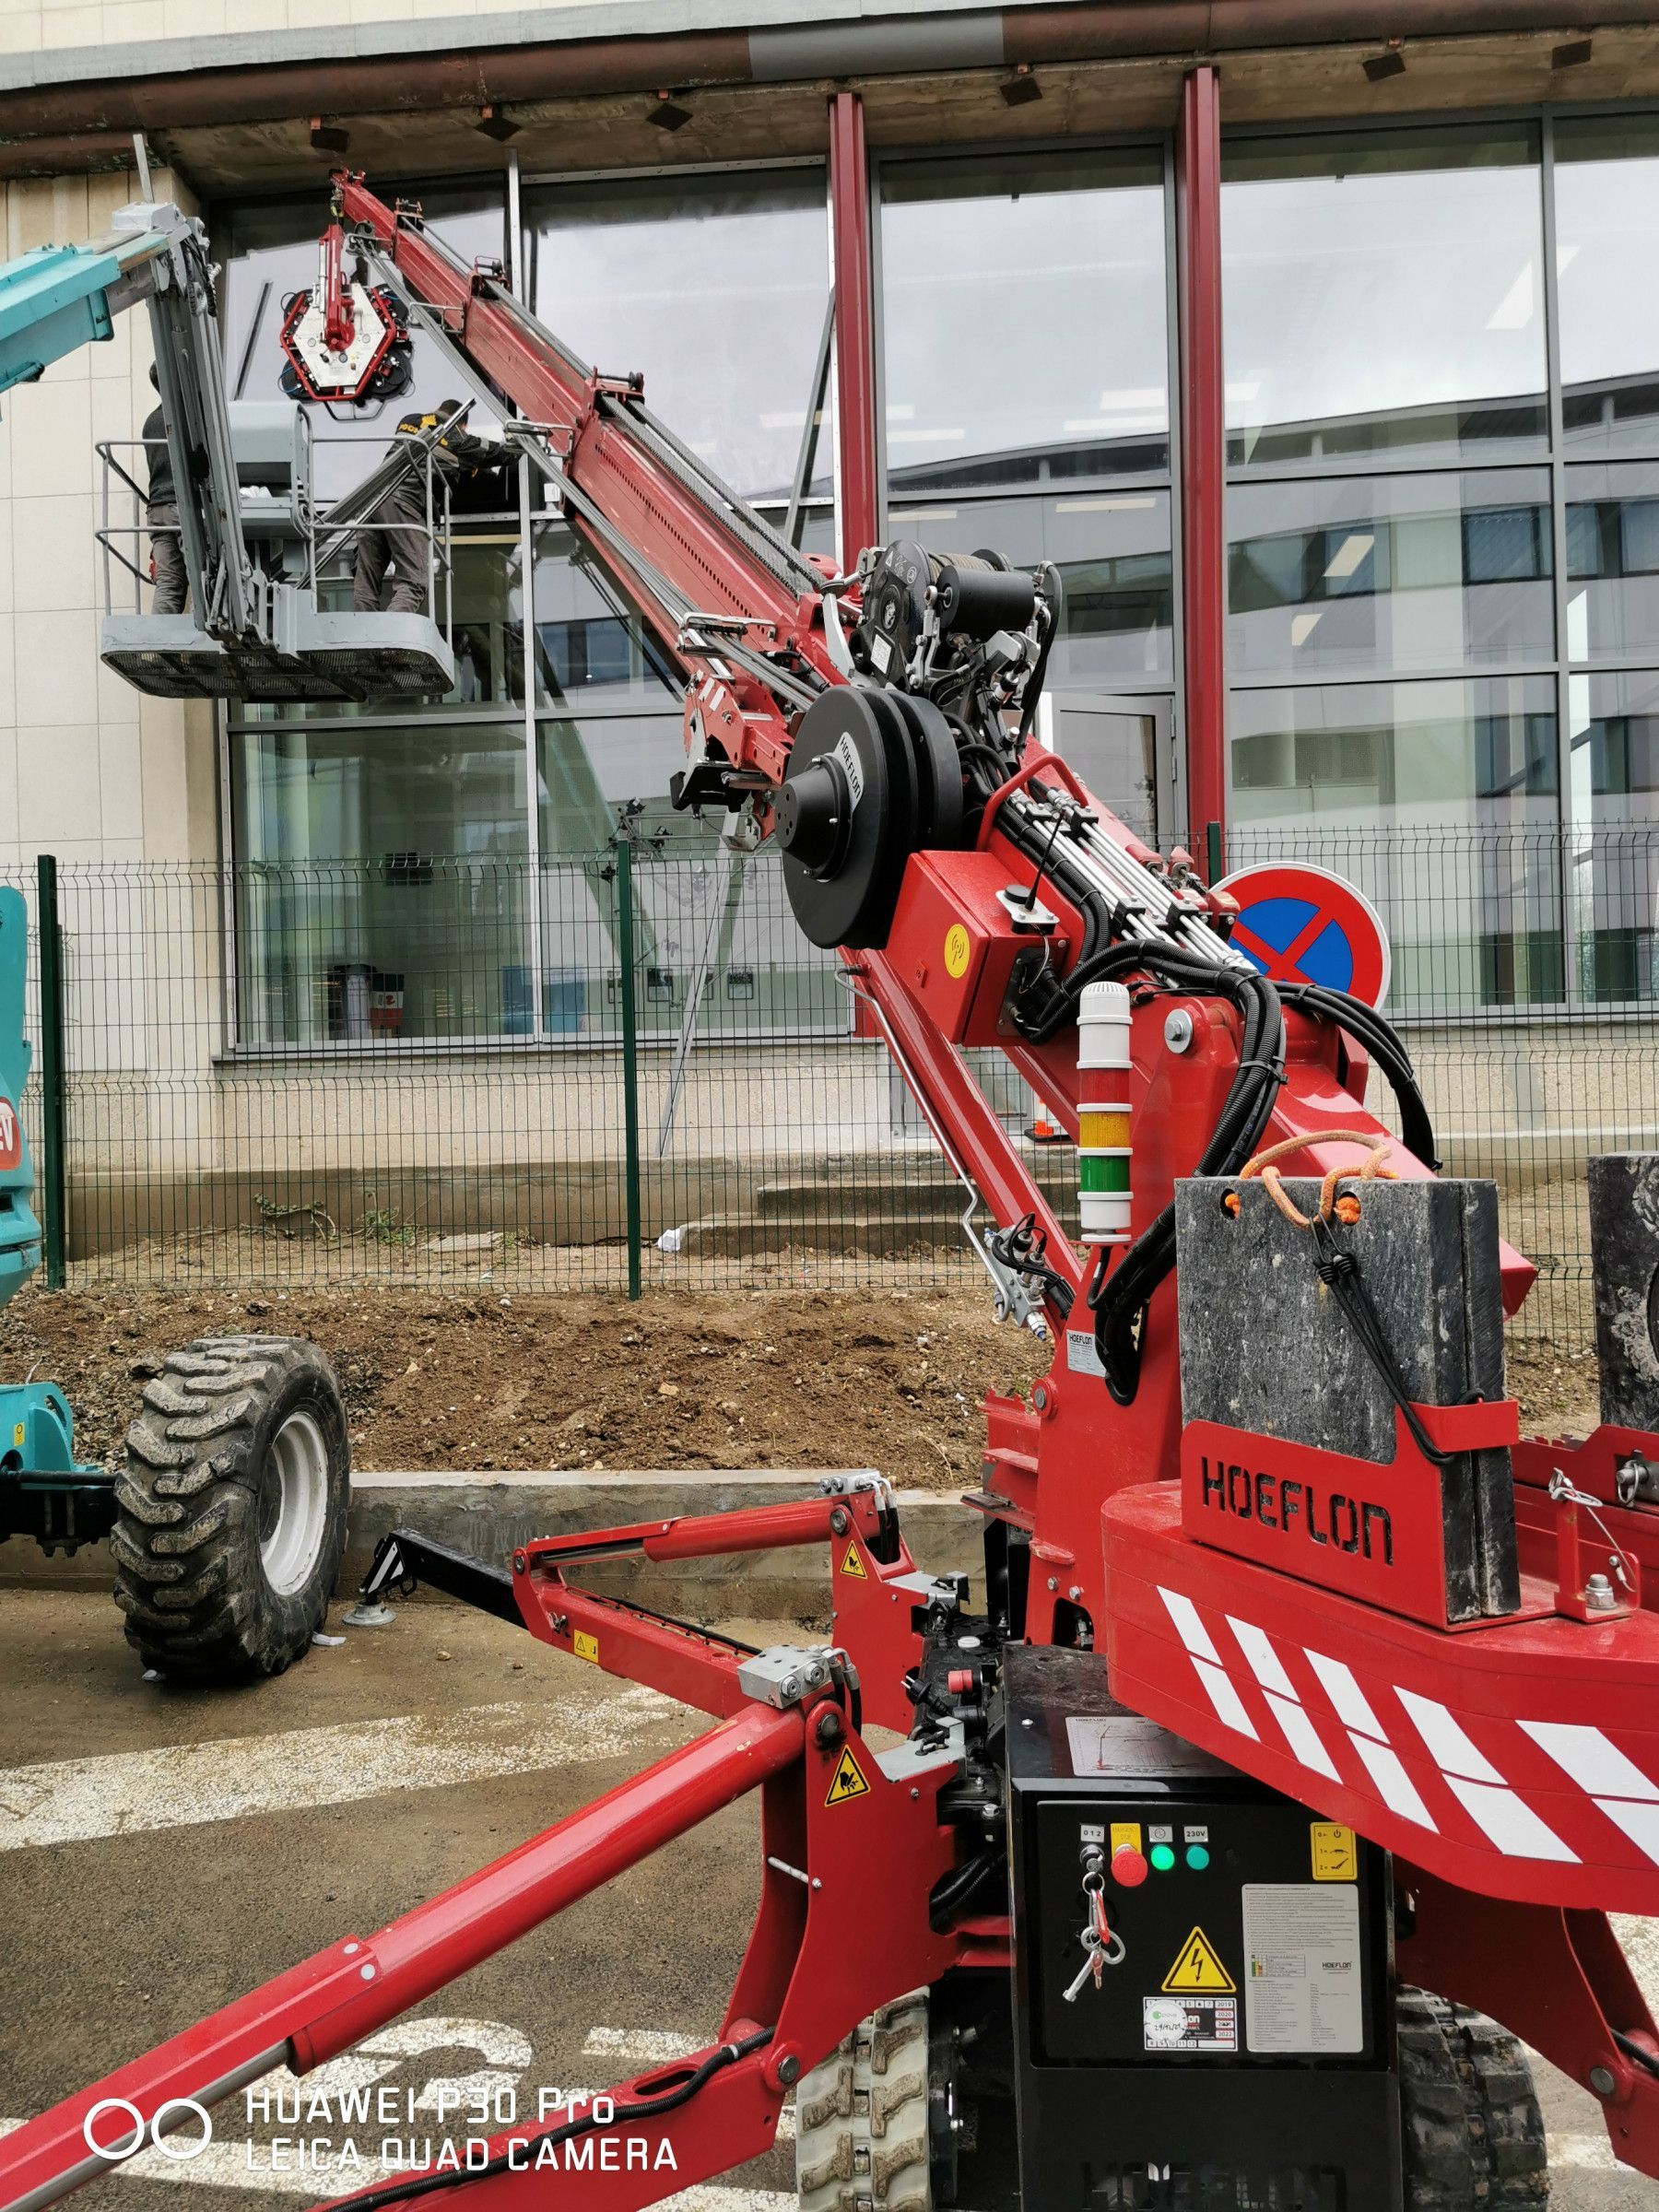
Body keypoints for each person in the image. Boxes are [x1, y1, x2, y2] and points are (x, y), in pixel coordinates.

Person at [354, 399, 494, 617]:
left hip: (373, 499)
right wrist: (516, 449)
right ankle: (391, 640)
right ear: (463, 424)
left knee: (367, 580)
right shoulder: (452, 432)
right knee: (414, 581)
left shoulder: (409, 420)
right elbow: (486, 452)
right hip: (403, 503)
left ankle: (365, 634)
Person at [142, 361, 187, 617]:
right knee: (204, 574)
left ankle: (161, 646)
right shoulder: (184, 417)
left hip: (157, 512)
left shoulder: (151, 421)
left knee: (168, 582)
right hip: (182, 507)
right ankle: (203, 640)